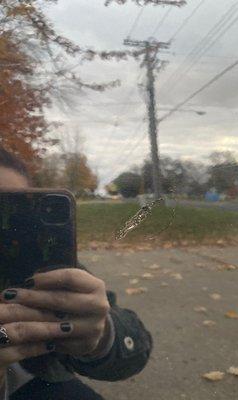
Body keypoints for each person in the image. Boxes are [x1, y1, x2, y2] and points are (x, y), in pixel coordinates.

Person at [0, 148, 153, 399]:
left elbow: (134, 343)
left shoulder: (46, 266)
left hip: (37, 381)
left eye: (14, 214)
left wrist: (102, 335)